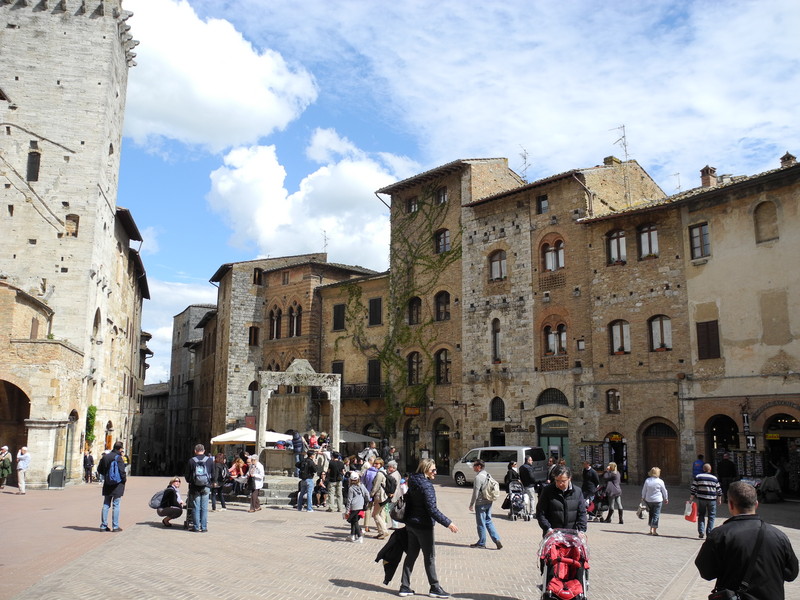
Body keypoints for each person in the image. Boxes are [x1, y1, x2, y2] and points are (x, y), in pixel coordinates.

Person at [696, 481, 798, 600]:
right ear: (756, 504)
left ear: (731, 505)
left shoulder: (720, 535)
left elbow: (706, 572)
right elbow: (791, 574)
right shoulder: (779, 536)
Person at [398, 458, 459, 598]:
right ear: (425, 469)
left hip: (411, 524)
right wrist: (448, 523)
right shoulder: (426, 486)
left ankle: (404, 586)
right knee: (430, 557)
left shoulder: (413, 480)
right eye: (433, 470)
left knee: (411, 555)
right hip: (423, 526)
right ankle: (434, 587)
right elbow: (432, 509)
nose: (435, 472)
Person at [536, 465, 588, 537]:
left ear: (569, 478)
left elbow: (582, 513)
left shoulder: (577, 492)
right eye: (557, 480)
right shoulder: (547, 491)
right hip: (552, 535)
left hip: (571, 536)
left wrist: (581, 530)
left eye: (563, 481)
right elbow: (540, 512)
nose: (560, 484)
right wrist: (548, 529)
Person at [468, 459, 502, 550]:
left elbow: (475, 493)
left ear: (479, 467)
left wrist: (471, 504)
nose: (473, 467)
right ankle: (496, 539)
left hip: (480, 503)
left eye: (474, 465)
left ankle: (482, 543)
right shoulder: (487, 474)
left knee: (481, 523)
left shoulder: (478, 478)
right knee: (488, 521)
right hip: (489, 501)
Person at [97, 441, 126, 531]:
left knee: (106, 504)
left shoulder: (105, 457)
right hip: (117, 484)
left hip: (107, 483)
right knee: (116, 505)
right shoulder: (119, 458)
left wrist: (107, 476)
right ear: (120, 449)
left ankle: (103, 526)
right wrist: (124, 480)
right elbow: (122, 471)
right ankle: (115, 526)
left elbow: (99, 469)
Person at [185, 444, 214, 532]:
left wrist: (191, 481)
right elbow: (213, 474)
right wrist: (211, 482)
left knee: (196, 507)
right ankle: (204, 527)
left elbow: (187, 475)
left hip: (195, 487)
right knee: (204, 508)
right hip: (206, 486)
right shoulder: (209, 460)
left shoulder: (191, 461)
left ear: (195, 451)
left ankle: (196, 527)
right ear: (204, 451)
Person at [690, 463, 722, 539]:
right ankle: (709, 533)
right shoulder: (714, 478)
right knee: (711, 516)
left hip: (701, 499)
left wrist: (691, 498)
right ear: (710, 470)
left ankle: (701, 531)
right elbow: (719, 490)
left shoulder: (698, 477)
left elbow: (693, 488)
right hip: (712, 500)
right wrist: (719, 499)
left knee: (701, 515)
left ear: (703, 469)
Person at [641, 466, 669, 536]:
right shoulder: (660, 481)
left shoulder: (647, 480)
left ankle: (651, 529)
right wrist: (666, 498)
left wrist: (643, 497)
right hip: (658, 500)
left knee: (651, 514)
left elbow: (644, 490)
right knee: (656, 515)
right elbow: (664, 491)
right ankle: (654, 530)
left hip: (649, 500)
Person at [345, 471, 369, 543]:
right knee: (354, 520)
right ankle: (352, 535)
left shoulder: (351, 488)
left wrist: (347, 510)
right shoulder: (362, 485)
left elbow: (349, 500)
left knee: (354, 521)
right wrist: (366, 501)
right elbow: (367, 494)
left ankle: (359, 536)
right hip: (361, 506)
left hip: (354, 506)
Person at [369, 457, 390, 539]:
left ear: (381, 464)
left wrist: (371, 495)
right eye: (374, 463)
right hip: (384, 496)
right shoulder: (384, 472)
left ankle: (384, 531)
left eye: (377, 463)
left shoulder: (380, 474)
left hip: (380, 496)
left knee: (375, 514)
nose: (375, 465)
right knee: (381, 514)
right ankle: (381, 532)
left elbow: (376, 486)